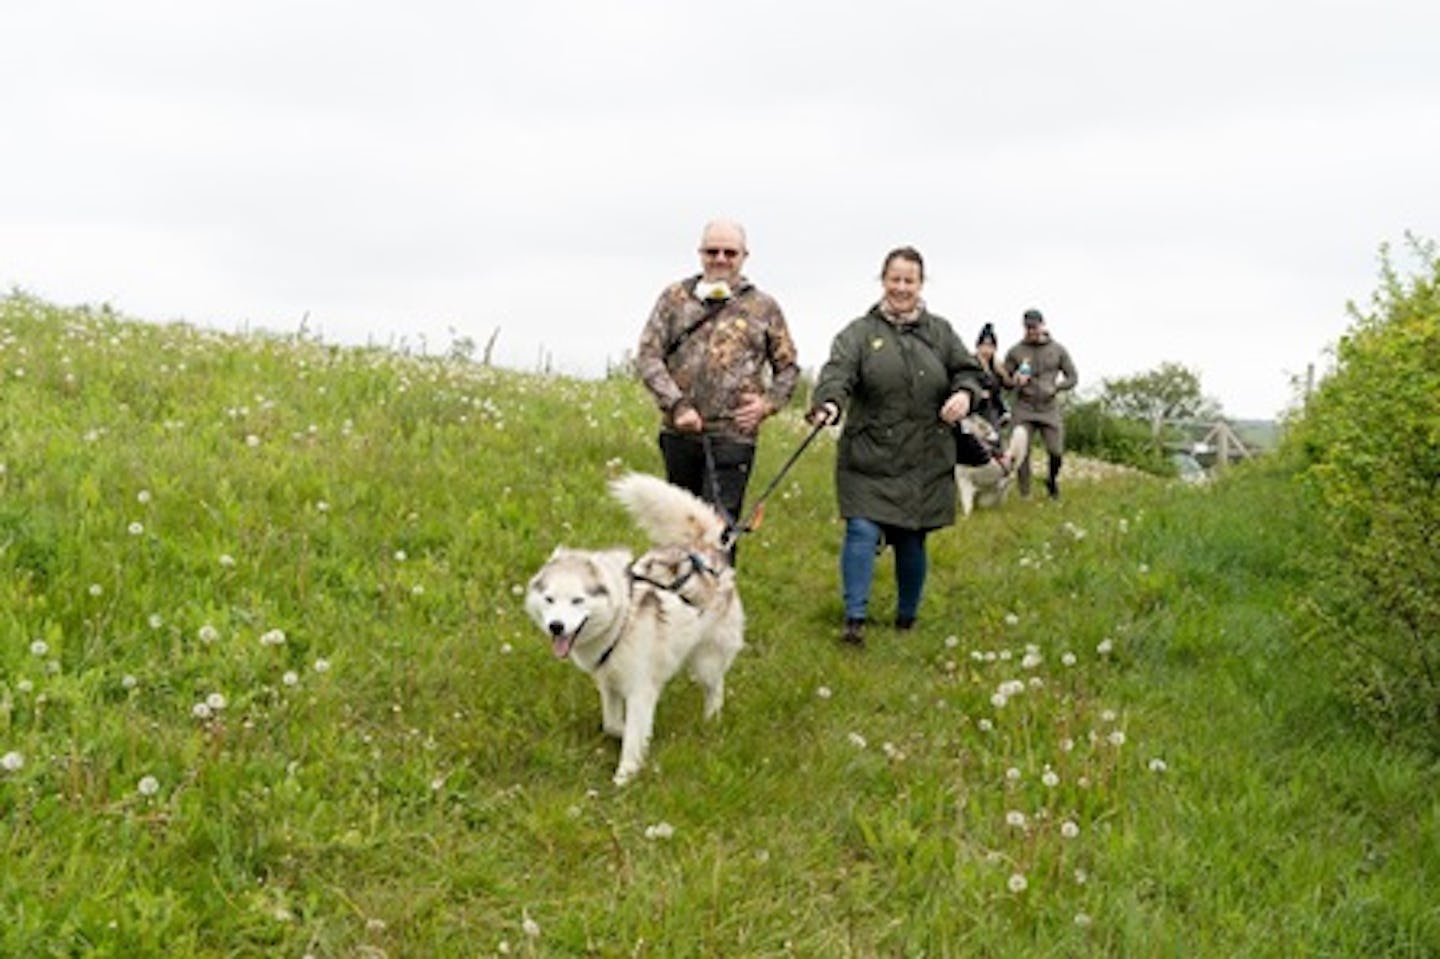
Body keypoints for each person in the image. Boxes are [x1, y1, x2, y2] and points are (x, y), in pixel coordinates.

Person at [807, 246, 983, 646]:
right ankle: (854, 621)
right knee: (861, 530)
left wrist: (965, 395)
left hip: (925, 455)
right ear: (882, 280)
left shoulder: (941, 332)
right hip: (869, 454)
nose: (901, 288)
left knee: (911, 538)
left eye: (910, 280)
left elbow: (969, 372)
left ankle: (907, 619)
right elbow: (838, 373)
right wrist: (829, 404)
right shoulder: (858, 333)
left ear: (921, 284)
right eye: (895, 279)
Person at [635, 219, 800, 543]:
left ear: (744, 256)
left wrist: (767, 405)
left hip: (733, 437)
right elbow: (648, 356)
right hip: (679, 433)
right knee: (679, 529)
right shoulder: (674, 298)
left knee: (718, 530)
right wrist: (677, 405)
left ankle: (717, 593)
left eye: (730, 252)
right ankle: (677, 593)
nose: (721, 259)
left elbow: (789, 368)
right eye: (713, 251)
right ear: (700, 253)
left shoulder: (763, 307)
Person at [1003, 308, 1078, 499]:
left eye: (1034, 327)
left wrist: (1058, 387)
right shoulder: (1015, 351)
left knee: (1056, 451)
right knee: (1021, 453)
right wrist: (1014, 381)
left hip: (1049, 407)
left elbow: (1073, 377)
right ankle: (1025, 494)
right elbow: (1004, 380)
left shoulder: (1058, 350)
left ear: (1043, 325)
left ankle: (1052, 480)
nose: (1031, 331)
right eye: (1028, 328)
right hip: (1023, 407)